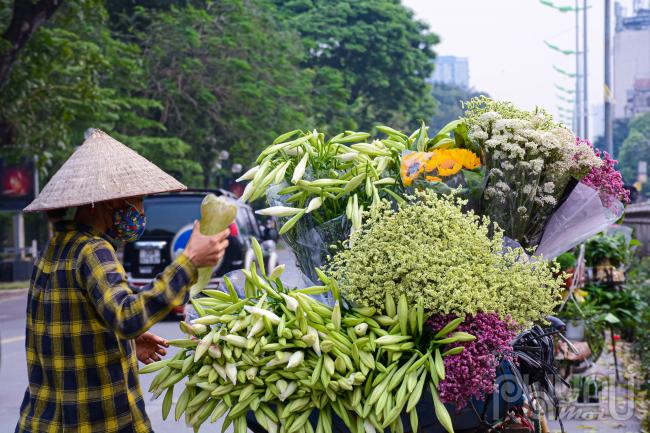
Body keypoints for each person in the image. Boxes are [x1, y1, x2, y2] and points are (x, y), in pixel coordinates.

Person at [16, 130, 230, 433]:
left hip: (41, 421)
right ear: (111, 202)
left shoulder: (55, 248)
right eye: (138, 199)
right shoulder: (93, 250)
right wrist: (190, 262)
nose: (141, 210)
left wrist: (124, 341)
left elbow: (66, 328)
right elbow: (127, 317)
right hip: (97, 422)